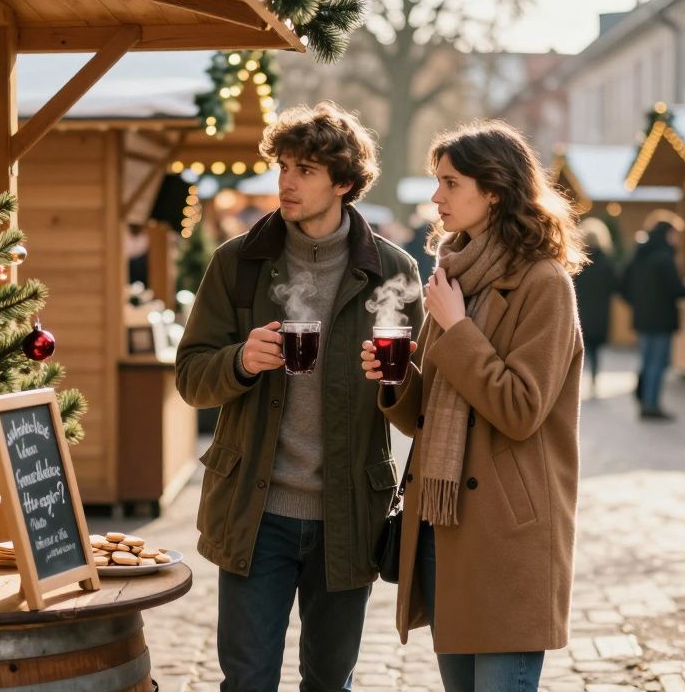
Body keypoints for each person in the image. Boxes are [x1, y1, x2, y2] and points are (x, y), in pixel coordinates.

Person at [175, 101, 422, 691]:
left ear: (343, 182)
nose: (286, 181)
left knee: (329, 682)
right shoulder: (238, 264)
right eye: (283, 165)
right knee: (248, 680)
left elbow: (420, 410)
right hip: (255, 515)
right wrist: (239, 361)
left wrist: (397, 383)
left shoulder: (394, 272)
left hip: (349, 514)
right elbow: (189, 376)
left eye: (305, 169)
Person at [360, 120, 583, 692]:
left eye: (450, 183)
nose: (436, 198)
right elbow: (427, 417)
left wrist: (456, 330)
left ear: (494, 190)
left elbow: (519, 409)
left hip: (507, 535)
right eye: (438, 182)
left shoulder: (544, 284)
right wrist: (397, 379)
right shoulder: (455, 277)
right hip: (444, 525)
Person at [620, 220, 685, 420]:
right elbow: (676, 289)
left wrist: (636, 303)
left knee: (646, 360)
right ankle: (651, 405)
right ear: (668, 234)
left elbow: (622, 283)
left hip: (642, 317)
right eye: (675, 235)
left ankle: (644, 400)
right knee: (658, 363)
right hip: (661, 318)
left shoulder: (639, 254)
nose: (677, 240)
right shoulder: (665, 258)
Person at [573, 217, 619, 393]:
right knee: (595, 350)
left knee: (579, 347)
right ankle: (594, 379)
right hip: (600, 312)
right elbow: (615, 285)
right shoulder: (606, 262)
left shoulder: (577, 261)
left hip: (580, 311)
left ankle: (578, 381)